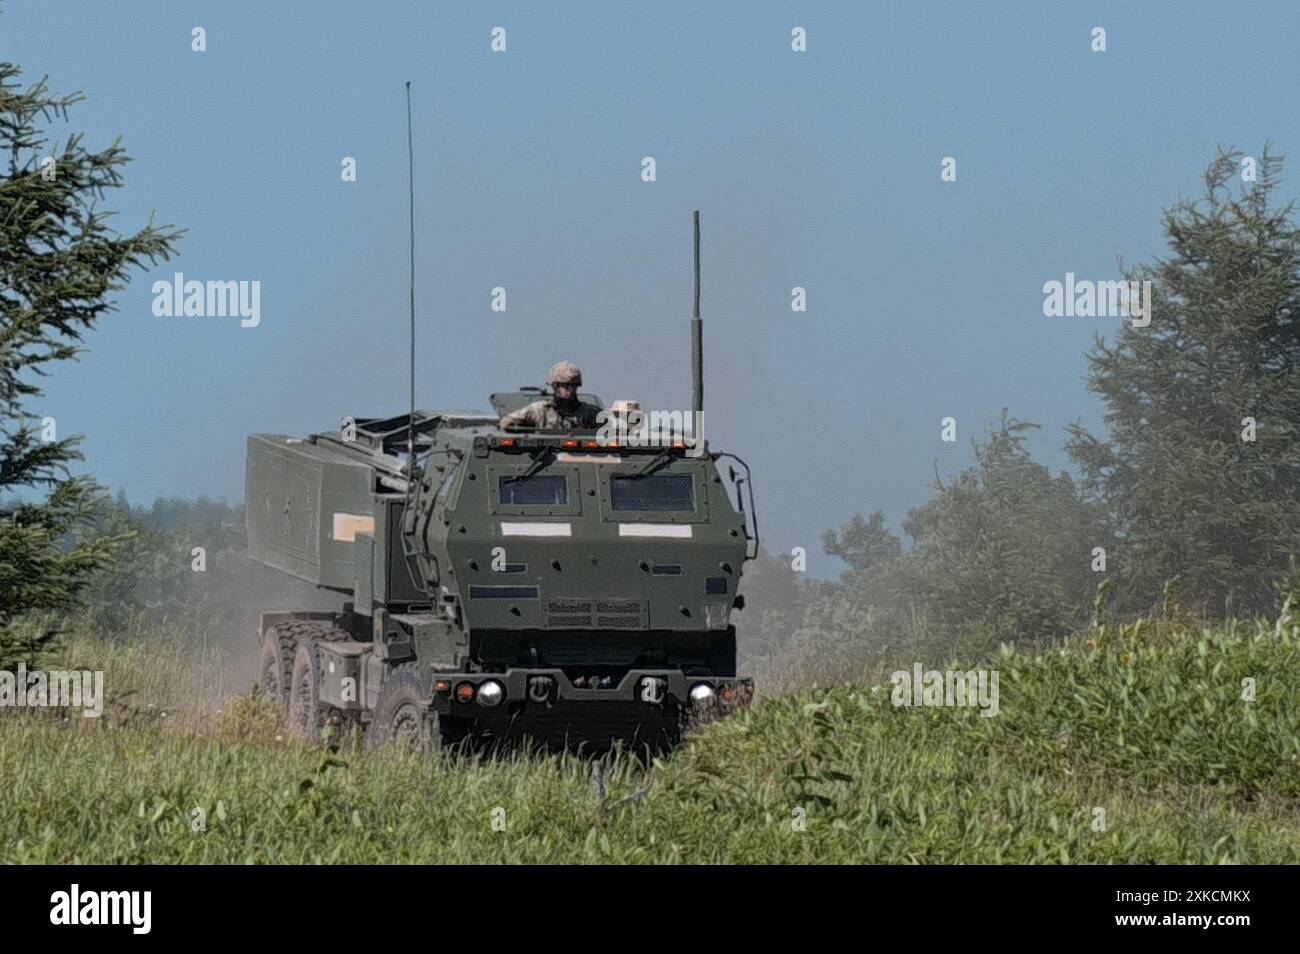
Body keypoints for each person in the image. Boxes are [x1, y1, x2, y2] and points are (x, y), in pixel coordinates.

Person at [499, 361, 602, 431]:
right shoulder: (540, 410)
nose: (571, 389)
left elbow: (613, 430)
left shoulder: (590, 413)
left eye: (574, 385)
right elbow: (506, 423)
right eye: (566, 385)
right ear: (555, 385)